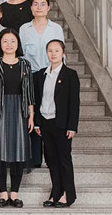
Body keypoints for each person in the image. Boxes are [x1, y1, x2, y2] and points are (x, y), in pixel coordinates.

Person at [0, 28, 35, 209]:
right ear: (0, 44)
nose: (9, 44)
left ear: (18, 44)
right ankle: (2, 194)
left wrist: (31, 114)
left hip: (20, 110)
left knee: (18, 151)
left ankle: (14, 193)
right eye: (5, 41)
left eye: (12, 41)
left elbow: (29, 91)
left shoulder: (25, 64)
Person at [19, 0, 65, 169]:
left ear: (48, 7)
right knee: (33, 113)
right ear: (31, 7)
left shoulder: (56, 28)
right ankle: (34, 157)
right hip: (30, 75)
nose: (39, 7)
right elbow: (21, 54)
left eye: (43, 4)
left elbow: (60, 53)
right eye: (35, 4)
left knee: (50, 112)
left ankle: (52, 154)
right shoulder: (24, 28)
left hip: (50, 74)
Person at [34, 39, 80, 208]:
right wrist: (37, 123)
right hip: (45, 123)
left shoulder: (70, 75)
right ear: (46, 53)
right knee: (51, 160)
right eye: (50, 51)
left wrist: (72, 126)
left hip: (61, 124)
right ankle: (56, 193)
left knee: (64, 160)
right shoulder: (41, 75)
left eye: (57, 51)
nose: (53, 54)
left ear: (63, 53)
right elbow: (37, 100)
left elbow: (74, 103)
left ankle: (68, 194)